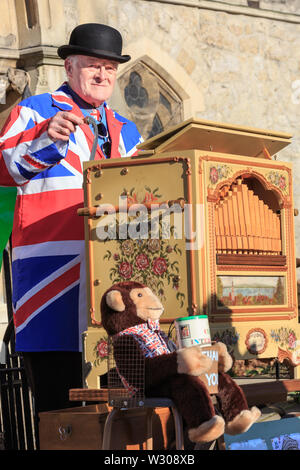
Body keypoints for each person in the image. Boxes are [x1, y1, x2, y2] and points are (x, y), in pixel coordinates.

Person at [0, 23, 143, 419]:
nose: (102, 75)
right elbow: (7, 170)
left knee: (120, 415)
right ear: (68, 67)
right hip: (52, 280)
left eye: (110, 69)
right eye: (93, 65)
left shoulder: (127, 130)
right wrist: (48, 136)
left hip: (114, 287)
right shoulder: (33, 111)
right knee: (60, 414)